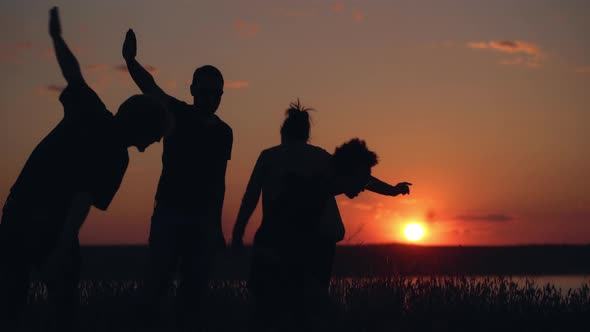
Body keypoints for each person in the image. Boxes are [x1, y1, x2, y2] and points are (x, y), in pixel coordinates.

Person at [0, 7, 169, 331]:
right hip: (48, 223)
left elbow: (72, 72)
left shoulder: (92, 108)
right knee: (62, 306)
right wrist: (61, 250)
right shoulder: (118, 157)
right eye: (154, 138)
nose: (152, 146)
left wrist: (56, 37)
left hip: (17, 207)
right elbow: (80, 201)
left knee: (9, 301)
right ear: (143, 132)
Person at [231, 101, 411, 331]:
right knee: (307, 312)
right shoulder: (320, 158)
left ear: (283, 132)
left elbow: (250, 197)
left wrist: (238, 232)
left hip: (274, 241)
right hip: (311, 245)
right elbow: (358, 177)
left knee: (268, 312)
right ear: (307, 134)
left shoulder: (269, 156)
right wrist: (393, 190)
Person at [122, 29, 232, 328]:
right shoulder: (177, 113)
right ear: (193, 89)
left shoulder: (224, 132)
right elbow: (150, 87)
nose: (210, 98)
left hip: (202, 219)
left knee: (194, 288)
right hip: (170, 212)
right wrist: (130, 61)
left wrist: (217, 224)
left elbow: (219, 181)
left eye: (216, 93)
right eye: (205, 91)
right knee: (157, 281)